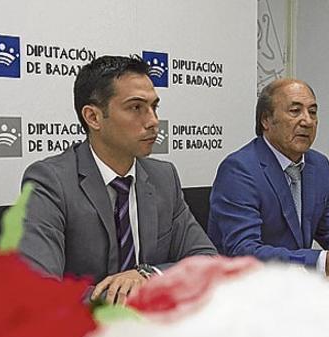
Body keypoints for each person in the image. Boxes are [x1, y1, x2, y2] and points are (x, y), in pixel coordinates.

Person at [19, 55, 216, 304]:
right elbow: (40, 289)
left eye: (154, 107)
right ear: (93, 117)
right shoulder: (50, 181)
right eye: (136, 108)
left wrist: (148, 275)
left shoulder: (163, 177)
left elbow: (206, 260)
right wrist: (123, 297)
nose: (153, 121)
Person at [207, 78, 329, 276]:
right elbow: (243, 251)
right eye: (295, 111)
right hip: (247, 290)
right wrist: (322, 263)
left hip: (298, 289)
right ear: (266, 120)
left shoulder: (319, 165)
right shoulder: (239, 169)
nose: (307, 121)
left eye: (312, 112)